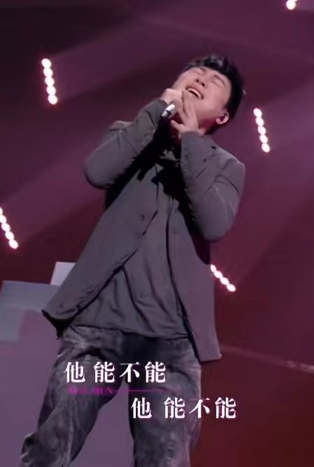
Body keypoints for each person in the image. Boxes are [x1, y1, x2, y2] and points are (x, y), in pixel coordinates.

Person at [19, 53, 246, 467]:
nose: (200, 80)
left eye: (214, 82)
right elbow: (97, 171)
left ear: (223, 115)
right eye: (195, 73)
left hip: (171, 343)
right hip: (99, 329)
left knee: (164, 457)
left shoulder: (226, 167)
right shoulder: (132, 134)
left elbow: (214, 223)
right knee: (53, 444)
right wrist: (157, 112)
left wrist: (191, 143)